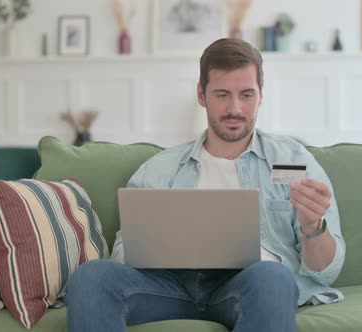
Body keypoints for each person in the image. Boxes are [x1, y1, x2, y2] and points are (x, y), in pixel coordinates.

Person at [66, 38, 346, 332]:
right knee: (91, 276)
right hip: (167, 286)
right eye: (222, 94)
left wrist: (314, 227)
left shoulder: (292, 160)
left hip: (250, 285)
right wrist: (156, 245)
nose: (235, 108)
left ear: (261, 96)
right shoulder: (161, 169)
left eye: (246, 95)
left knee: (273, 277)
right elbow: (123, 252)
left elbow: (325, 272)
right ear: (202, 95)